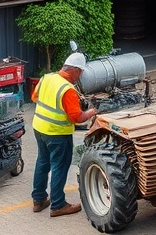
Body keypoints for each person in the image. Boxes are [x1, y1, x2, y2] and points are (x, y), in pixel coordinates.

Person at [31, 52, 97, 217]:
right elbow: (77, 118)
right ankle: (58, 205)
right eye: (80, 72)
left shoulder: (47, 78)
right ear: (74, 70)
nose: (80, 76)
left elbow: (34, 98)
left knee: (42, 162)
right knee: (59, 167)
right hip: (57, 134)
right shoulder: (67, 90)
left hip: (39, 128)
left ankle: (38, 200)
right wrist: (92, 112)